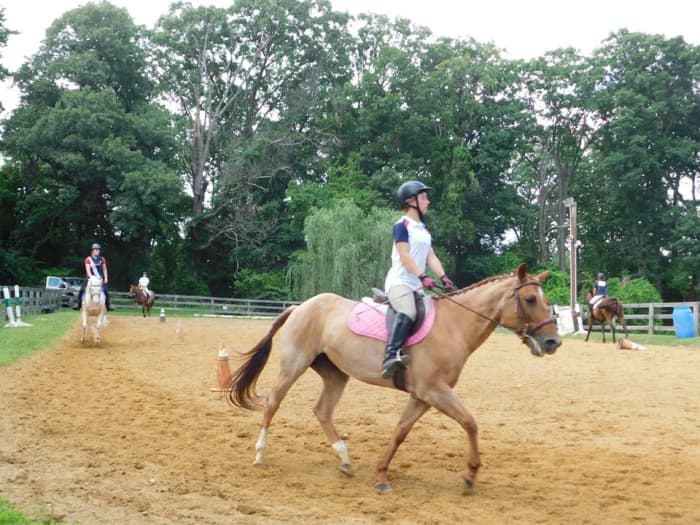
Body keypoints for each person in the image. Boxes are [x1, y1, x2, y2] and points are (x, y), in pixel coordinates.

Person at [381, 180, 455, 379]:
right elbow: (405, 256)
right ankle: (390, 356)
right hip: (400, 282)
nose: (428, 202)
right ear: (411, 201)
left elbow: (431, 256)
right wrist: (422, 276)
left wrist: (443, 276)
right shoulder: (401, 225)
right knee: (408, 311)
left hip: (416, 285)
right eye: (423, 198)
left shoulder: (423, 229)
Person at [74, 243, 114, 311]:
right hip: (90, 278)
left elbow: (104, 269)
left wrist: (106, 278)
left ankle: (108, 305)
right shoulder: (88, 259)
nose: (97, 251)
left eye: (98, 250)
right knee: (82, 289)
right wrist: (92, 278)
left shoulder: (102, 259)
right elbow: (88, 270)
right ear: (92, 251)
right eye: (95, 250)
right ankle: (78, 304)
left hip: (99, 278)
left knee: (105, 290)